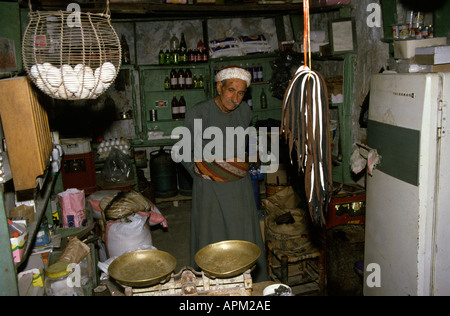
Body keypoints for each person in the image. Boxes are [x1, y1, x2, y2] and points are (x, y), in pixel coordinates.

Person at [181, 66, 268, 282]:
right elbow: (184, 152)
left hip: (240, 187)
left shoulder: (245, 112)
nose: (235, 98)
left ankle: (249, 282)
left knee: (244, 235)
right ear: (219, 87)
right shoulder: (198, 113)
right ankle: (212, 284)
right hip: (210, 188)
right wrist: (206, 176)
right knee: (212, 237)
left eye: (240, 93)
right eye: (231, 90)